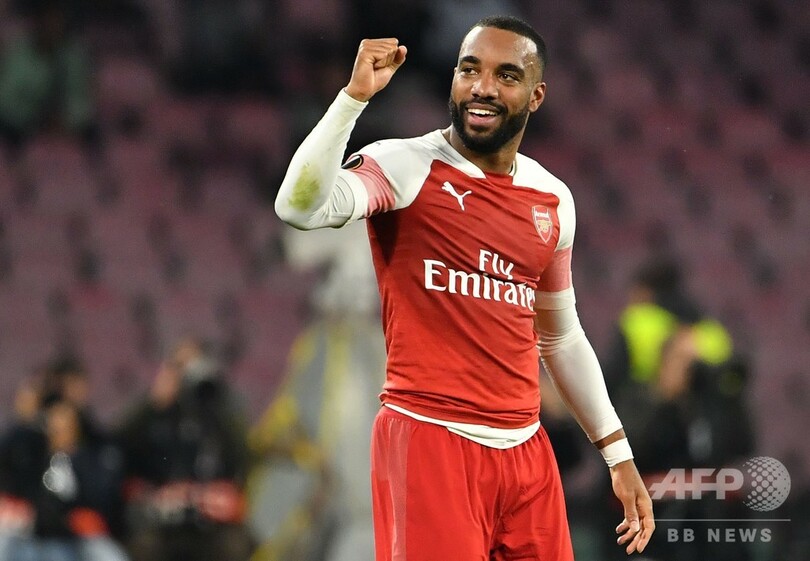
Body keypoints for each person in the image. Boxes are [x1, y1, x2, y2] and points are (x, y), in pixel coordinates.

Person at [274, 15, 654, 560]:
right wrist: (352, 99)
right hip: (429, 439)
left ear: (536, 95)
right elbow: (298, 208)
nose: (482, 87)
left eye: (506, 75)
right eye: (469, 70)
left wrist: (618, 454)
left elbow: (560, 336)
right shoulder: (405, 166)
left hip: (527, 453)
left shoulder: (552, 200)